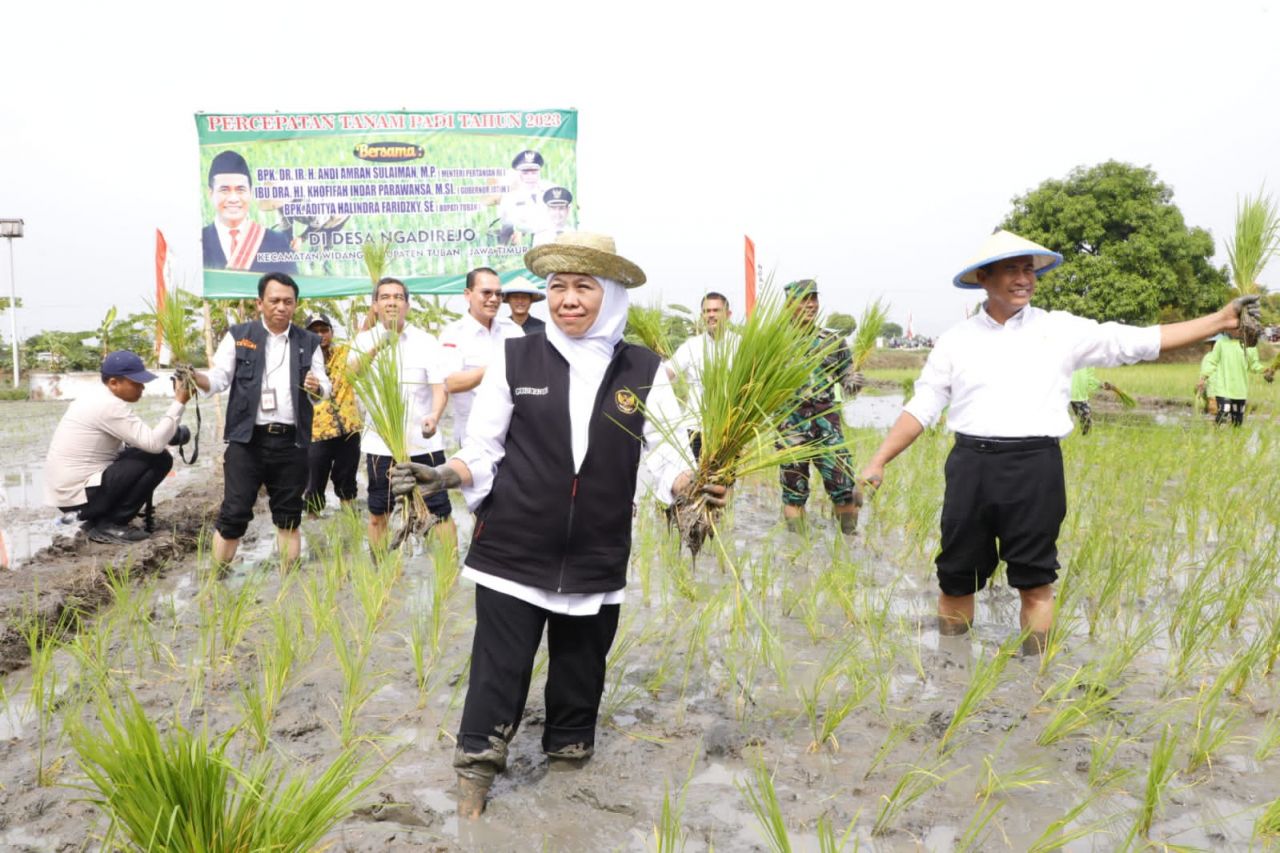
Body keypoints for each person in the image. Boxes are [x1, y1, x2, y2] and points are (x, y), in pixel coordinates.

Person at [388, 232, 723, 818]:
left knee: (580, 673)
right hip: (513, 547)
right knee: (498, 667)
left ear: (612, 295)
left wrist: (689, 488)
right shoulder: (518, 360)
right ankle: (474, 781)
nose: (568, 299)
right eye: (558, 287)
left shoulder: (645, 371)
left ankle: (568, 783)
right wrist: (444, 475)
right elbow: (485, 449)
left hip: (597, 549)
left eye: (583, 287)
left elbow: (665, 457)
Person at [858, 230, 1262, 654]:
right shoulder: (956, 341)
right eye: (1011, 269)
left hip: (1036, 467)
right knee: (957, 577)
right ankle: (953, 674)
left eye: (1028, 270)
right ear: (983, 278)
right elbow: (923, 405)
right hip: (971, 466)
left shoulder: (1060, 329)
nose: (1023, 279)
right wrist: (879, 460)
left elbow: (1137, 341)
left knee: (1035, 581)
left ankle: (1032, 678)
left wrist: (1219, 321)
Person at [191, 272, 331, 569]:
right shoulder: (239, 336)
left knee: (289, 516)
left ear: (296, 305)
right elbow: (218, 379)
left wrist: (317, 386)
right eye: (275, 300)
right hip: (247, 442)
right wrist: (196, 378)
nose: (281, 307)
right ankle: (216, 578)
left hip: (291, 443)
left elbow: (324, 386)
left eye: (288, 302)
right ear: (260, 303)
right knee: (234, 513)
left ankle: (288, 583)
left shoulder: (309, 341)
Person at [349, 276, 455, 551]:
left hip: (423, 443)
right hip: (380, 446)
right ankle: (382, 576)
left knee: (439, 511)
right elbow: (350, 375)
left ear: (407, 305)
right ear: (374, 305)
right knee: (378, 513)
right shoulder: (362, 341)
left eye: (398, 297)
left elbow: (439, 387)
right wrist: (378, 346)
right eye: (385, 297)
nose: (392, 302)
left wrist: (434, 415)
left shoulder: (425, 341)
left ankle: (448, 574)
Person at [44, 351, 188, 544]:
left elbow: (138, 441)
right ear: (114, 382)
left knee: (140, 453)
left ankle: (98, 521)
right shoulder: (108, 405)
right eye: (136, 383)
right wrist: (179, 402)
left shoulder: (94, 397)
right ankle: (111, 524)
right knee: (159, 458)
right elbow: (153, 445)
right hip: (79, 499)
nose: (142, 388)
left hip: (71, 497)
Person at [776, 280, 865, 535]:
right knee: (794, 494)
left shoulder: (832, 341)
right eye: (803, 299)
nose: (810, 305)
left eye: (813, 298)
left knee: (844, 490)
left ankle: (847, 547)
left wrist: (854, 382)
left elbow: (847, 376)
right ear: (789, 304)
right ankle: (799, 553)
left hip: (828, 429)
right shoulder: (776, 343)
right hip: (790, 429)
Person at [440, 268, 520, 447]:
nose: (494, 299)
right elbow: (451, 383)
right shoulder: (453, 334)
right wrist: (498, 366)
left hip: (515, 434)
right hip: (475, 438)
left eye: (498, 294)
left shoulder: (512, 330)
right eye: (486, 293)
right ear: (468, 294)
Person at [667, 291, 740, 458]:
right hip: (696, 430)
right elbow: (667, 373)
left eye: (716, 310)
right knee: (693, 482)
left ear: (728, 314)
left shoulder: (740, 344)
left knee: (723, 483)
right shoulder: (692, 346)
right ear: (702, 315)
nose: (711, 315)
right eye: (707, 311)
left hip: (728, 431)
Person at [303, 314, 362, 516]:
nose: (320, 335)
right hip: (317, 433)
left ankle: (350, 522)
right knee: (314, 481)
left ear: (331, 332)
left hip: (348, 430)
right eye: (314, 331)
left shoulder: (344, 353)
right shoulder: (302, 362)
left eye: (324, 330)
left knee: (347, 479)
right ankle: (313, 522)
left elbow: (365, 333)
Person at [201, 150, 297, 274]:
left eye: (240, 190)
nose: (233, 199)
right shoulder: (197, 241)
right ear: (210, 193)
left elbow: (290, 288)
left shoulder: (277, 242)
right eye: (224, 190)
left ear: (250, 193)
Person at [1197, 327, 1269, 427]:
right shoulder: (1221, 343)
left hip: (1240, 390)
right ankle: (1216, 436)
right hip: (1223, 388)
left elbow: (1254, 365)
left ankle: (1234, 438)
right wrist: (1203, 378)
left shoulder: (1249, 345)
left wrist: (1265, 370)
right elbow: (1212, 362)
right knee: (1223, 413)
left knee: (1238, 419)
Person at [497, 150, 552, 245]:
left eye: (534, 172)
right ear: (518, 173)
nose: (530, 176)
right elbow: (506, 227)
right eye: (525, 172)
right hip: (521, 245)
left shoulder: (550, 190)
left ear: (539, 172)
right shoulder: (509, 198)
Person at [1068, 367, 1115, 435]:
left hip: (1080, 396)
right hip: (1060, 395)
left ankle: (1084, 442)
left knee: (1087, 423)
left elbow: (1089, 378)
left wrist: (1101, 385)